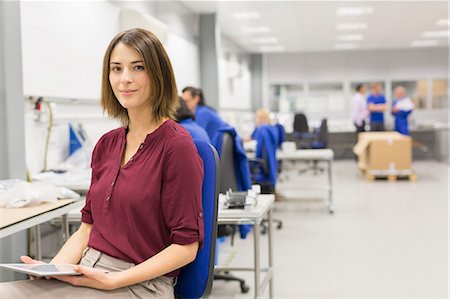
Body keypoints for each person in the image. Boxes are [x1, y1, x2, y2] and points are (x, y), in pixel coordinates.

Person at [0, 28, 204, 298]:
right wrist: (53, 269)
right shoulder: (107, 145)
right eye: (116, 69)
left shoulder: (177, 146)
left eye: (138, 67)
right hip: (85, 271)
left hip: (141, 284)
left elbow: (186, 248)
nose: (125, 79)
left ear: (159, 74)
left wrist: (113, 280)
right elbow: (88, 229)